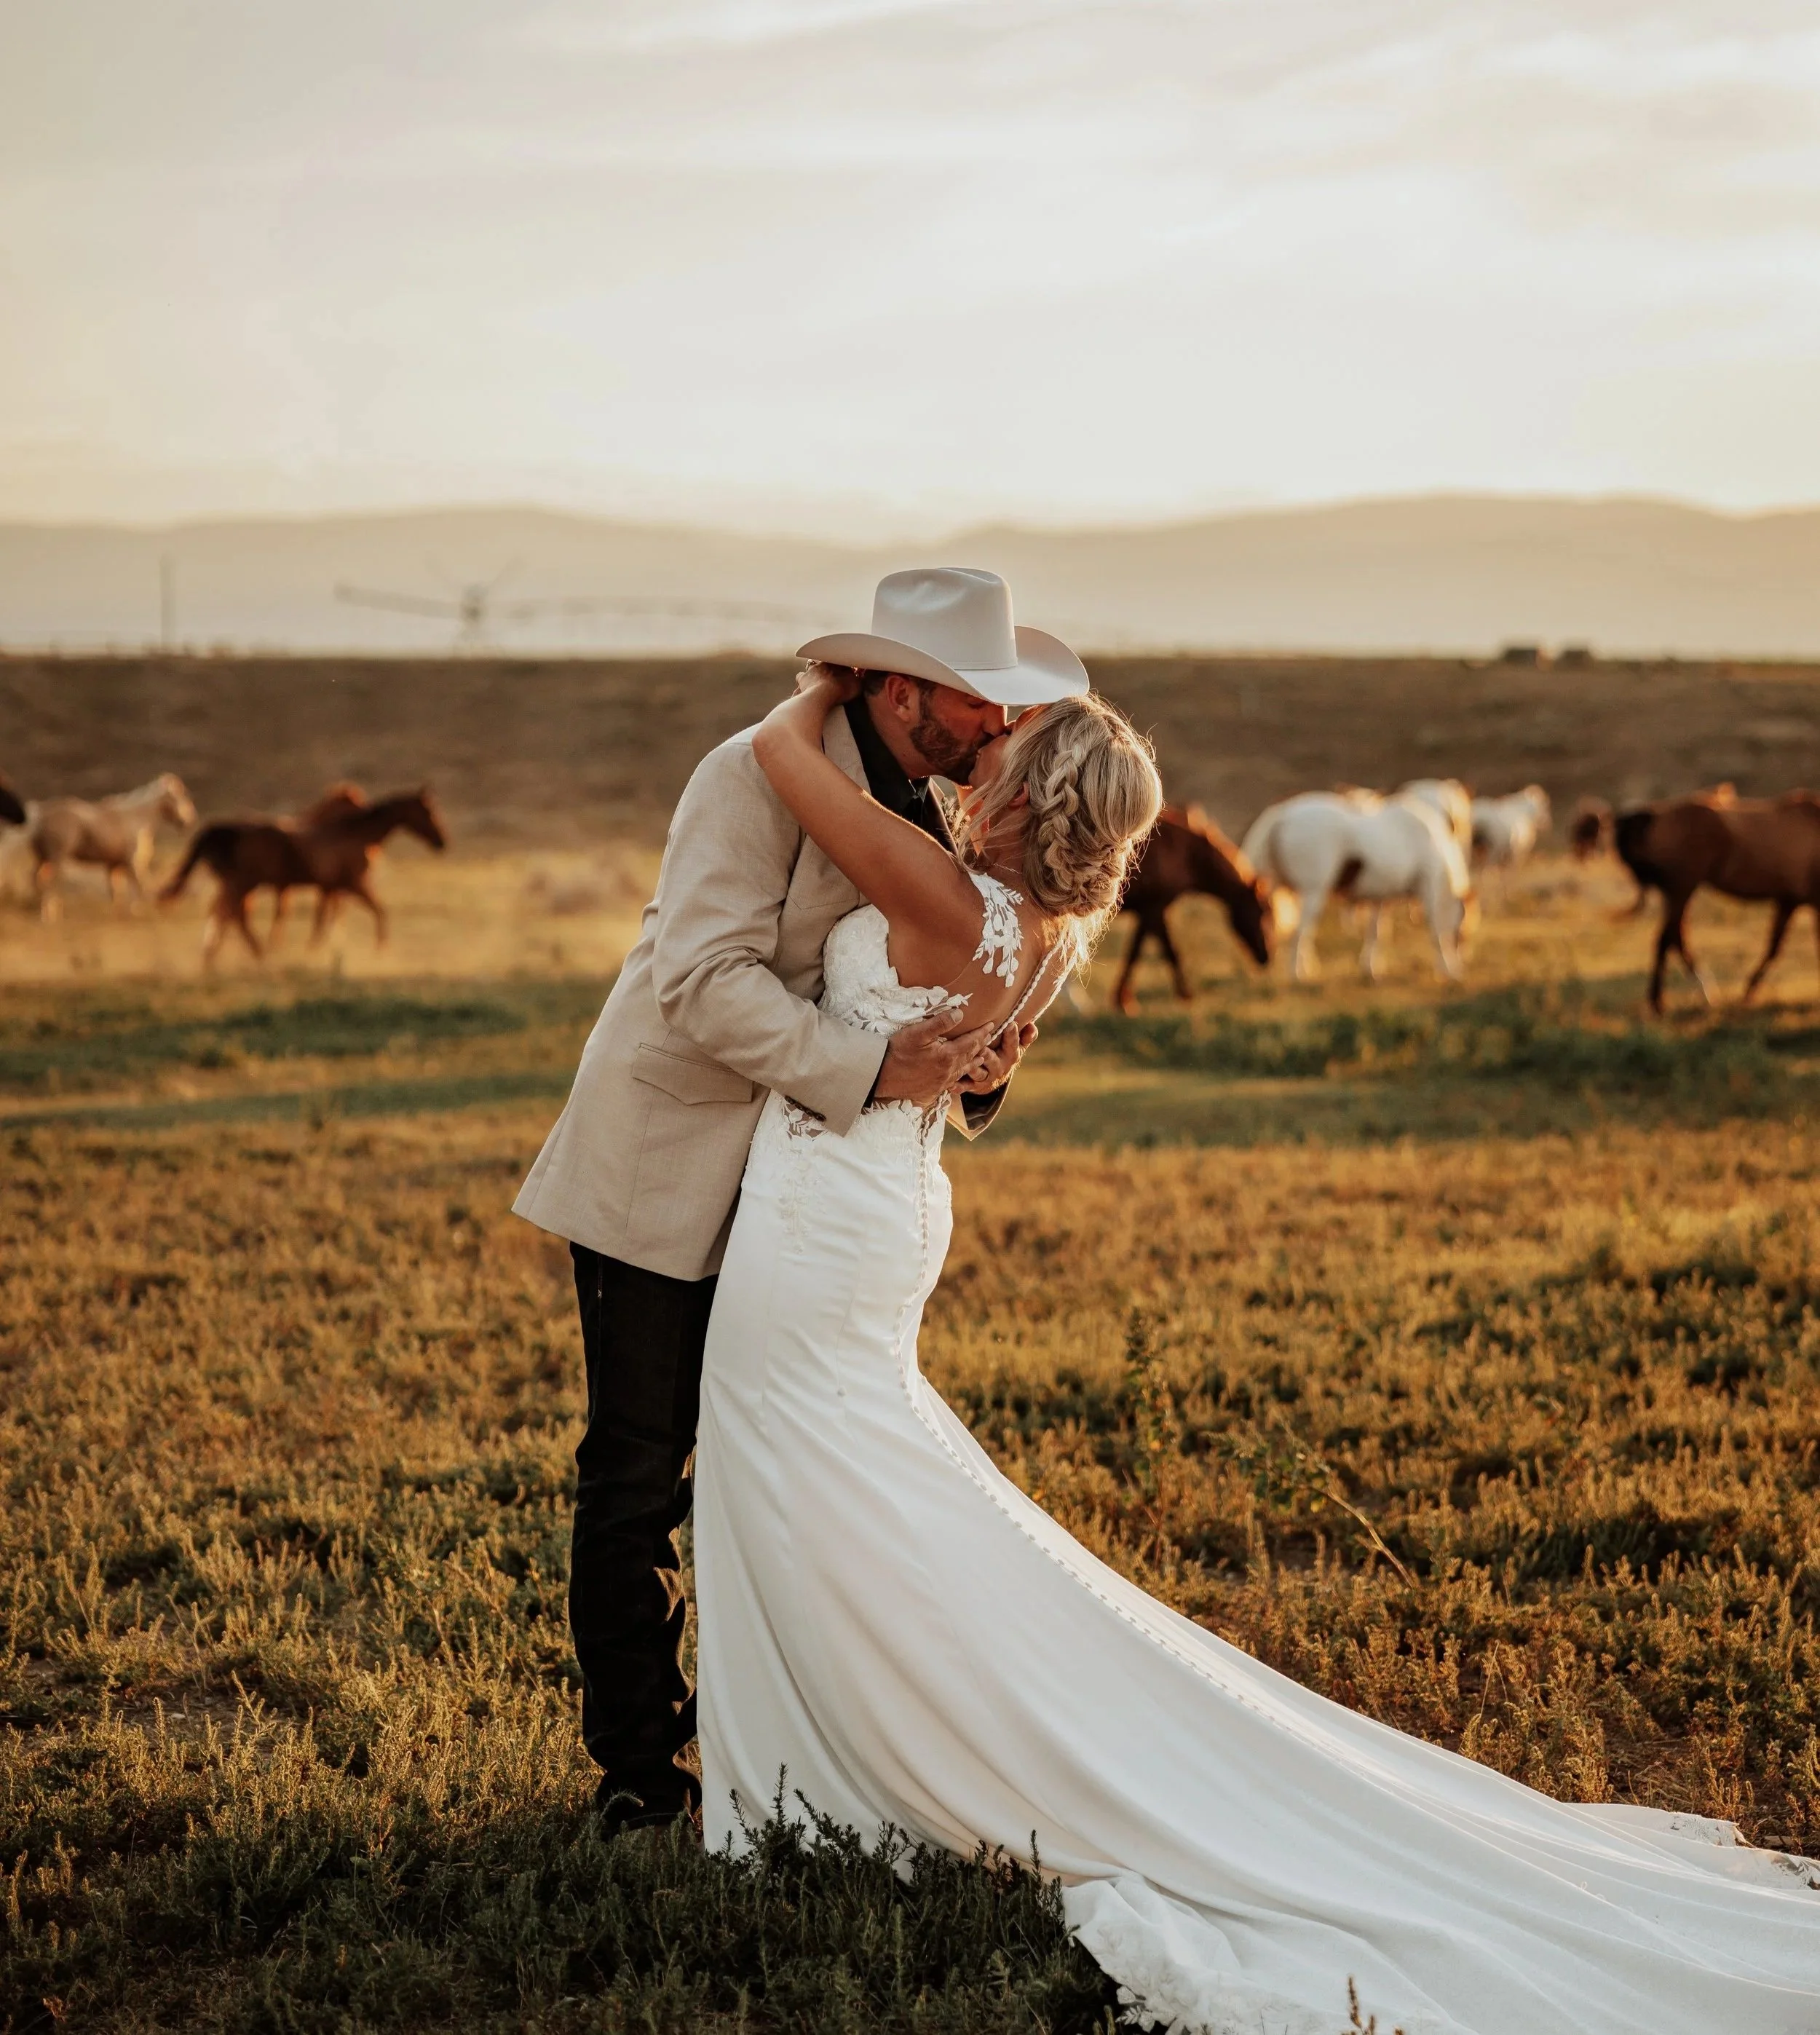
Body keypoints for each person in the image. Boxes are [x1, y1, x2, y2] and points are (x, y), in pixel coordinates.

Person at [690, 669, 1820, 2034]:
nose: (978, 756)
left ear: (1027, 798)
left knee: (795, 1465)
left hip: (826, 1219)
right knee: (846, 1478)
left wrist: (839, 675)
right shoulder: (1047, 930)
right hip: (882, 1211)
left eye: (1006, 750)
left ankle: (837, 1762)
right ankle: (847, 1734)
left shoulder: (943, 898)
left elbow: (778, 752)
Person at [513, 566, 1089, 1833]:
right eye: (975, 702)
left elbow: (935, 971)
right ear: (898, 688)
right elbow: (702, 979)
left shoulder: (943, 801)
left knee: (790, 1469)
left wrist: (974, 1067)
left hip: (807, 1198)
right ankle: (639, 1778)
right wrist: (878, 1067)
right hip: (666, 1162)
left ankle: (807, 1738)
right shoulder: (748, 772)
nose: (998, 728)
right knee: (636, 1476)